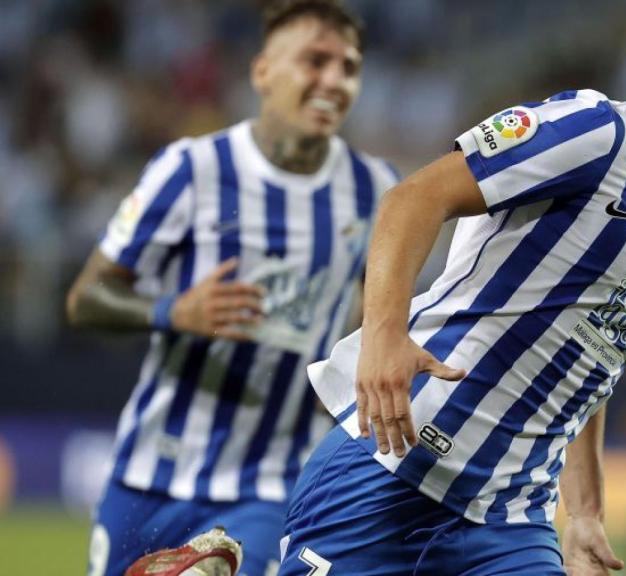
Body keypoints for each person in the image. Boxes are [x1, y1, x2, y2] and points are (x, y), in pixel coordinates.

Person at [280, 0, 626, 574]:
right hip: (392, 469)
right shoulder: (596, 133)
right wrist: (382, 336)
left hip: (511, 523)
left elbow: (595, 358)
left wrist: (587, 513)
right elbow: (414, 199)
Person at [65, 2, 397, 574]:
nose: (334, 81)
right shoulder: (192, 168)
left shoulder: (374, 190)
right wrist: (173, 310)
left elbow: (388, 319)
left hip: (270, 485)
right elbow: (86, 298)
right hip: (148, 478)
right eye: (314, 61)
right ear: (263, 71)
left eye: (348, 67)